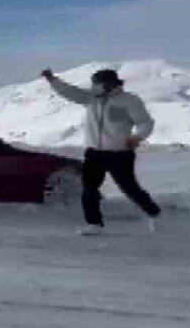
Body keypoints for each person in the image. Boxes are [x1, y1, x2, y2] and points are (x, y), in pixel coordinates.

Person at [41, 68, 161, 235]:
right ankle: (94, 224)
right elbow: (70, 92)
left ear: (111, 84)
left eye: (98, 84)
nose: (95, 87)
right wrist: (52, 80)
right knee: (89, 188)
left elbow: (145, 122)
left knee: (129, 188)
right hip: (94, 153)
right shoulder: (90, 99)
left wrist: (137, 137)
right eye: (94, 84)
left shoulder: (129, 101)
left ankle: (154, 213)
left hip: (120, 153)